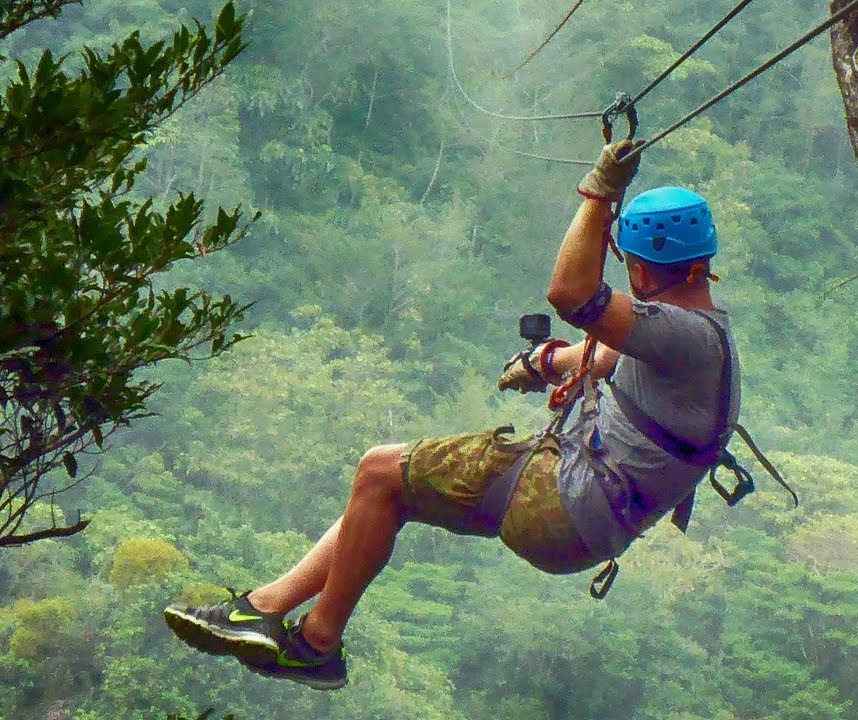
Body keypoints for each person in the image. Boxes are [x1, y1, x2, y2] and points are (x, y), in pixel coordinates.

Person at [163, 139, 741, 689]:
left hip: (562, 500)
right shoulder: (701, 337)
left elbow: (572, 295)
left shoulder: (683, 337)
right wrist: (541, 363)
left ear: (638, 268)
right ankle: (261, 611)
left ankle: (316, 646)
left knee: (379, 471)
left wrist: (598, 193)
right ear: (702, 263)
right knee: (388, 492)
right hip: (582, 523)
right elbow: (601, 352)